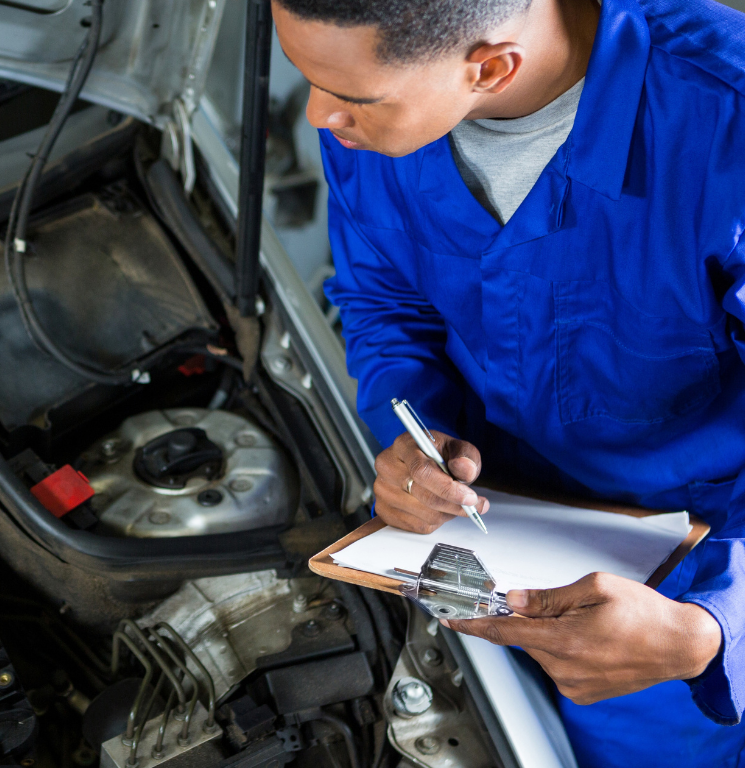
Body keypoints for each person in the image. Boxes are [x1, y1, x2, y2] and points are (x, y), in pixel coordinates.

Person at [268, 0, 745, 764]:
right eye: (309, 80)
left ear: (489, 67)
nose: (321, 116)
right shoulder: (379, 103)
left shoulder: (725, 122)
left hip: (684, 590)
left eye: (350, 97)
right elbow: (383, 304)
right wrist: (412, 440)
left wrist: (719, 626)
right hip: (487, 548)